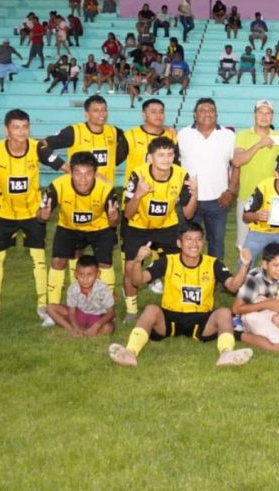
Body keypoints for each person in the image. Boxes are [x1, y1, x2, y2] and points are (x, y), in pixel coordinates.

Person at [0, 109, 65, 324]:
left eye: (25, 127)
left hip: (32, 213)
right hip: (3, 214)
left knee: (38, 259)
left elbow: (61, 165)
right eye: (16, 127)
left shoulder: (38, 148)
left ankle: (42, 306)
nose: (21, 132)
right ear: (6, 129)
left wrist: (82, 174)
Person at [108, 222, 253, 367]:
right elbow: (137, 281)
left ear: (203, 242)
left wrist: (245, 265)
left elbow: (233, 287)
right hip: (170, 316)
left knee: (224, 313)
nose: (194, 244)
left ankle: (227, 353)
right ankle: (130, 352)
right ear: (179, 243)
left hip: (202, 319)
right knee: (151, 309)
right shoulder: (167, 261)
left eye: (198, 239)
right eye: (189, 239)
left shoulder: (213, 263)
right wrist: (138, 260)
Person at [120, 136, 197, 324]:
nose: (166, 159)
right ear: (150, 157)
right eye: (161, 155)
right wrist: (138, 195)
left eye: (170, 154)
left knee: (181, 263)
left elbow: (188, 213)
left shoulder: (181, 175)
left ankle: (178, 304)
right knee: (131, 267)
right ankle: (131, 311)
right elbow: (128, 214)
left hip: (166, 226)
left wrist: (195, 194)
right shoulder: (138, 174)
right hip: (138, 226)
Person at [40, 151, 121, 305]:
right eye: (77, 173)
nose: (82, 179)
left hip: (100, 227)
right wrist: (43, 216)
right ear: (71, 172)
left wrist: (113, 218)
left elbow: (114, 224)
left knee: (105, 263)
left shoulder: (106, 189)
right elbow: (40, 215)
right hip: (69, 227)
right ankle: (53, 308)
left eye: (88, 173)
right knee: (58, 261)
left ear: (95, 174)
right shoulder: (57, 186)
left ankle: (107, 306)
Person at [178, 98, 237, 261]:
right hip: (190, 200)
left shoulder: (228, 135)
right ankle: (187, 277)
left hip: (218, 200)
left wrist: (231, 191)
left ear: (216, 114)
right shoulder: (182, 135)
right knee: (188, 242)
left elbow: (236, 165)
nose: (207, 113)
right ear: (195, 114)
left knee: (216, 242)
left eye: (211, 110)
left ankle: (215, 280)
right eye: (202, 110)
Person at [41, 94, 129, 188]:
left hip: (106, 191)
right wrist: (68, 169)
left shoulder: (113, 131)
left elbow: (129, 143)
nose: (102, 114)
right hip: (79, 191)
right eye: (96, 110)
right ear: (86, 114)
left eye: (104, 110)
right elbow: (40, 145)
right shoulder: (74, 132)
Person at [232, 99, 279, 246]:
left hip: (272, 199)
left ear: (272, 116)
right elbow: (237, 161)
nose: (264, 116)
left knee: (273, 248)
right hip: (247, 196)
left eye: (268, 113)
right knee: (244, 246)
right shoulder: (243, 135)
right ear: (254, 115)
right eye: (260, 112)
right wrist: (259, 144)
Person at [231, 243, 279, 350]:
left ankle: (278, 332)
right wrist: (267, 304)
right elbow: (236, 309)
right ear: (265, 264)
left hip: (274, 314)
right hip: (252, 314)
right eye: (276, 265)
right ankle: (239, 335)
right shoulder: (254, 279)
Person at [45, 256, 115, 336]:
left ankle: (89, 331)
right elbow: (71, 313)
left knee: (108, 328)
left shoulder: (103, 288)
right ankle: (73, 330)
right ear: (76, 274)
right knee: (50, 308)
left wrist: (96, 326)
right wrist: (75, 327)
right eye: (81, 275)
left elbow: (111, 313)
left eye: (90, 275)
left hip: (97, 317)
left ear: (98, 274)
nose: (85, 279)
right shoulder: (73, 288)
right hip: (79, 315)